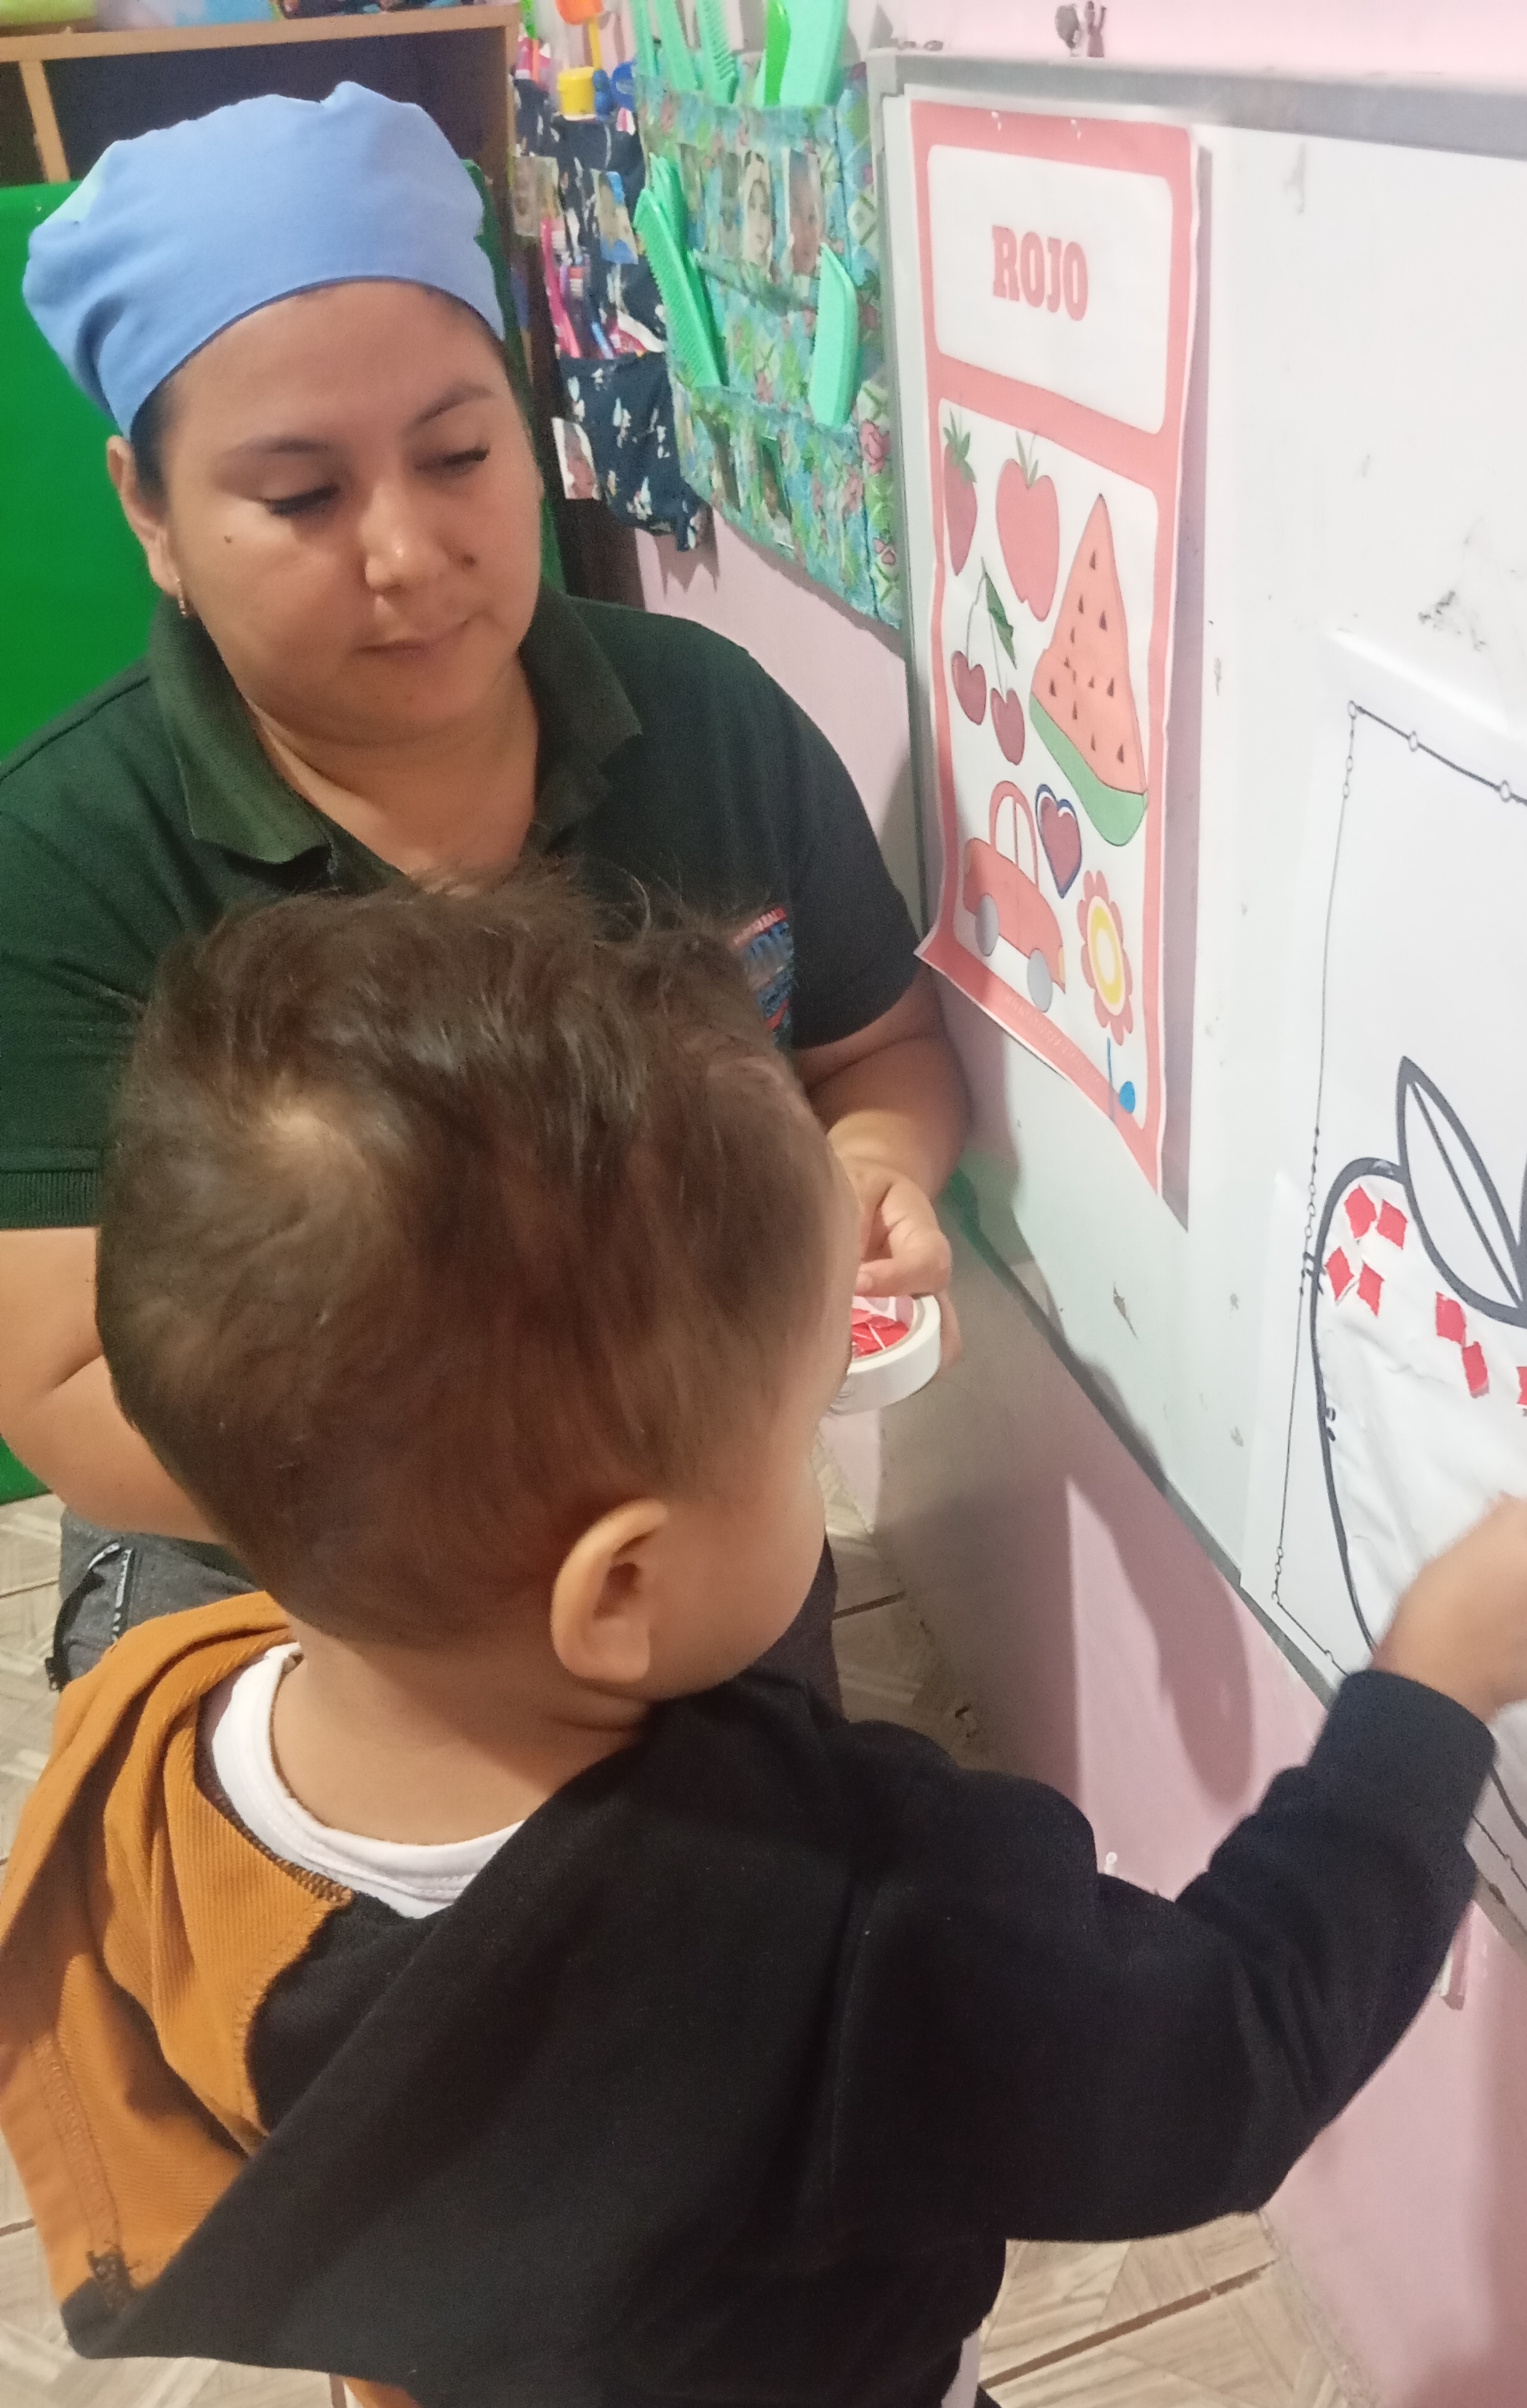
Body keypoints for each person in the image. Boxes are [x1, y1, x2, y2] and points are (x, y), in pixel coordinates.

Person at [0, 877, 1527, 2408]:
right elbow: (1224, 2067)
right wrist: (1428, 1698)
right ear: (620, 1589)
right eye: (802, 1429)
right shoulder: (851, 1914)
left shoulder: (146, 1740)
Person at [0, 82, 964, 1687]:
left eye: (458, 454)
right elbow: (64, 1386)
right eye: (300, 497)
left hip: (687, 1499)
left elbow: (880, 1053)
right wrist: (529, 1485)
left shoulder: (709, 722)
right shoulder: (59, 857)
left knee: (769, 1818)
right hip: (293, 1541)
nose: (407, 553)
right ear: (149, 512)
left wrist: (864, 1179)